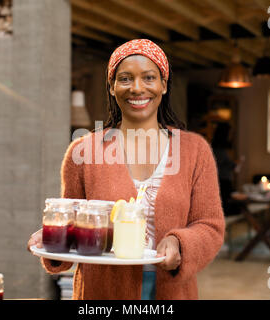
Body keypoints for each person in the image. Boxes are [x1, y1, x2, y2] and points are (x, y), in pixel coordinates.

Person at [27, 39, 225, 299]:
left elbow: (210, 225)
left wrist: (180, 242)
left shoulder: (194, 150)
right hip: (101, 293)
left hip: (171, 292)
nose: (137, 88)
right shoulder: (83, 152)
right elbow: (70, 220)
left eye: (149, 77)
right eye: (125, 79)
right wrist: (53, 235)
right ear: (111, 87)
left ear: (164, 85)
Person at [211, 122, 244, 216]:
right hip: (223, 183)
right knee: (235, 208)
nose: (231, 136)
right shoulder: (219, 151)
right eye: (230, 133)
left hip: (223, 183)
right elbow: (234, 168)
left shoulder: (218, 150)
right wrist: (238, 162)